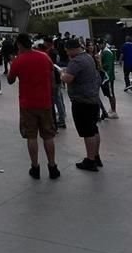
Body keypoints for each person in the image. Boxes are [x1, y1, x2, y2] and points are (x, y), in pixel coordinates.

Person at [8, 33, 60, 179]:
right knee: (48, 136)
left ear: (19, 45)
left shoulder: (19, 61)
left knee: (31, 136)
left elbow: (10, 80)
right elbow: (52, 78)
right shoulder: (44, 57)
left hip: (27, 104)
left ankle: (35, 167)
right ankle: (52, 166)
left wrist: (14, 63)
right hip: (45, 102)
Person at [60, 38, 104, 171]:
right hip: (93, 98)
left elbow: (68, 79)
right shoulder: (88, 57)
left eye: (67, 51)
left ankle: (90, 160)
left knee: (87, 131)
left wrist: (62, 73)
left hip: (82, 101)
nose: (67, 54)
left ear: (72, 49)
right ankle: (96, 156)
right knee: (93, 128)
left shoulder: (76, 61)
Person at [99, 41, 119, 119]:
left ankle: (114, 111)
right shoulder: (104, 51)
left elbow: (108, 65)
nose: (99, 45)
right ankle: (112, 109)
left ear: (104, 44)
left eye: (100, 44)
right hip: (107, 76)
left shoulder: (107, 52)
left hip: (108, 77)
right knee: (109, 94)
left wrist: (100, 66)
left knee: (111, 94)